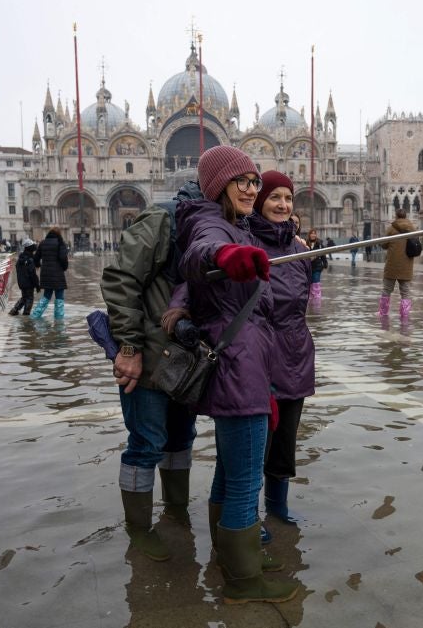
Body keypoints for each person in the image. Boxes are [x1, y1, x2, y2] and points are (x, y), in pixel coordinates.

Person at [173, 145, 298, 604]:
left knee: (229, 474)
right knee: (246, 481)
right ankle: (244, 582)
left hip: (248, 365)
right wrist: (227, 256)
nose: (250, 189)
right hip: (238, 367)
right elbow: (198, 254)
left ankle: (231, 556)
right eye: (240, 181)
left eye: (253, 181)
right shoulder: (210, 223)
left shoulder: (236, 224)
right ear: (217, 186)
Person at [101, 196, 198, 563]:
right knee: (146, 443)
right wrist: (129, 347)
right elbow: (121, 279)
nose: (248, 191)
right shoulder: (164, 218)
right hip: (148, 358)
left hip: (187, 362)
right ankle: (139, 529)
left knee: (181, 439)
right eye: (241, 182)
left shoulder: (224, 223)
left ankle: (176, 511)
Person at [249, 172, 315, 531]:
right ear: (260, 201)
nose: (283, 204)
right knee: (254, 442)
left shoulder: (301, 250)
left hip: (294, 356)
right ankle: (247, 514)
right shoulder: (243, 242)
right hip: (257, 358)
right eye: (275, 197)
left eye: (288, 198)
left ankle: (277, 507)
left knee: (285, 441)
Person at [378, 209, 416, 318]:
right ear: (406, 216)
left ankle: (383, 313)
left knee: (386, 290)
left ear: (396, 216)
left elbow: (384, 245)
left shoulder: (392, 228)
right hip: (407, 265)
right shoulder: (412, 228)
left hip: (392, 265)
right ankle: (405, 315)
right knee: (405, 292)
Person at [30, 227, 69, 320]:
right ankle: (59, 320)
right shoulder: (60, 243)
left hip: (46, 274)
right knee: (59, 298)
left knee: (46, 296)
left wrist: (39, 265)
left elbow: (35, 258)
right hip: (58, 274)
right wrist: (64, 268)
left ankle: (35, 315)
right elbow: (63, 258)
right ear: (59, 234)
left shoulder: (43, 243)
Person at [9, 239, 39, 315]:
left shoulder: (20, 258)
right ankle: (26, 315)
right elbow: (32, 274)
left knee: (24, 297)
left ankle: (14, 310)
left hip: (21, 283)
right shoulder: (29, 259)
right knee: (29, 298)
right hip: (29, 283)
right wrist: (37, 285)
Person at [305, 229, 327, 300]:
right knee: (310, 284)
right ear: (309, 235)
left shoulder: (319, 244)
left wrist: (325, 263)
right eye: (312, 233)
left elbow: (323, 254)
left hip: (317, 266)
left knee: (316, 283)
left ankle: (317, 299)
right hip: (308, 267)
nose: (313, 235)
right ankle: (311, 299)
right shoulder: (305, 243)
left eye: (314, 233)